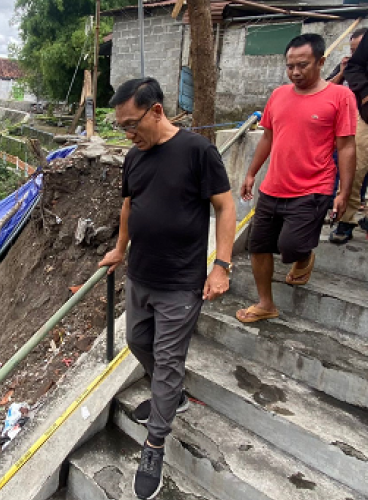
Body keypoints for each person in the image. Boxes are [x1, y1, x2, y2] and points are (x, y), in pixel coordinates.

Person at [99, 77, 236, 499]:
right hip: (141, 275)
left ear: (156, 110)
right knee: (138, 340)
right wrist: (120, 249)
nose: (127, 133)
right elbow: (128, 205)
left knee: (168, 359)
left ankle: (155, 443)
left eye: (131, 123)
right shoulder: (134, 159)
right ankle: (170, 395)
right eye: (120, 126)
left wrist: (222, 266)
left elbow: (225, 205)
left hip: (180, 283)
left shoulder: (197, 151)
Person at [237, 34, 357, 323]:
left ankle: (304, 257)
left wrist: (344, 192)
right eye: (289, 66)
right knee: (259, 246)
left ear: (321, 62)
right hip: (273, 186)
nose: (294, 72)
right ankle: (266, 303)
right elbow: (267, 136)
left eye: (302, 65)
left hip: (313, 189)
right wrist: (251, 173)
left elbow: (347, 146)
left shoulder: (340, 97)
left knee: (290, 247)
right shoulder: (278, 95)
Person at [337, 28, 368, 241]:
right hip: (367, 115)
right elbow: (354, 68)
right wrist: (365, 93)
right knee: (356, 167)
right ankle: (346, 220)